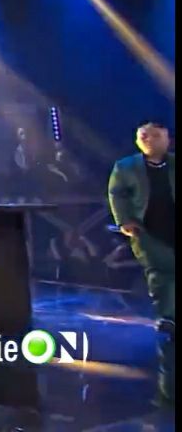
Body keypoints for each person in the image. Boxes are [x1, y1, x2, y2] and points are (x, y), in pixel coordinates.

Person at [107, 121, 174, 406]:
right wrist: (125, 221)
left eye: (154, 135)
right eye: (143, 135)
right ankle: (168, 316)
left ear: (167, 139)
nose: (148, 139)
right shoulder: (126, 167)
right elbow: (117, 194)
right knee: (161, 272)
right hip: (148, 233)